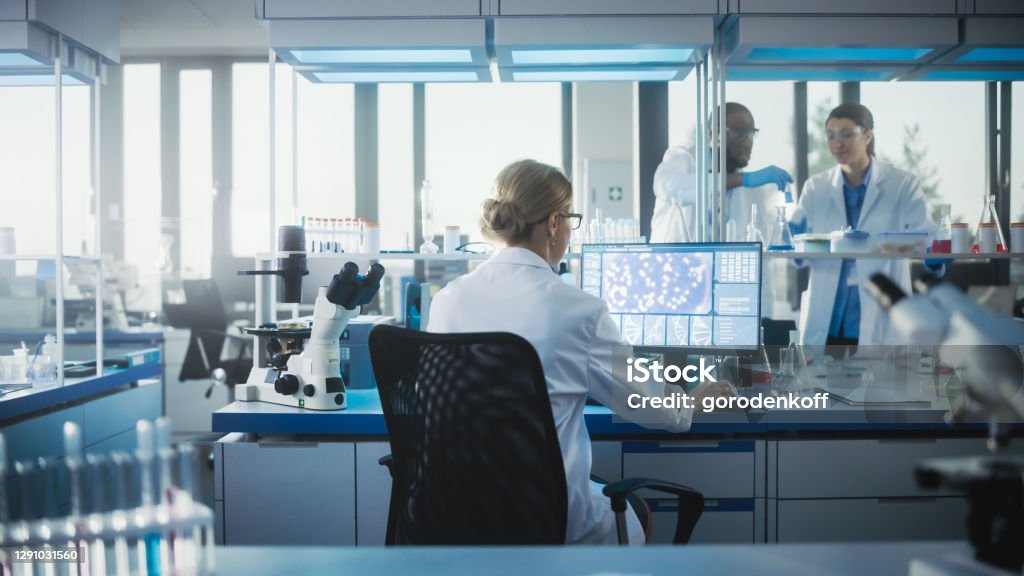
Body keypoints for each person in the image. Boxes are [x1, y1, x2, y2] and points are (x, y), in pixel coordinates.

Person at [428, 159, 733, 545]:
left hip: (458, 516)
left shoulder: (449, 300)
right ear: (554, 223)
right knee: (636, 511)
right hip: (547, 519)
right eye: (571, 219)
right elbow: (654, 409)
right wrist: (691, 402)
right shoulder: (579, 310)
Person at [792, 103, 940, 348]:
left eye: (847, 134)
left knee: (880, 385)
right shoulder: (815, 187)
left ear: (867, 136)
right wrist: (795, 243)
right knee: (819, 385)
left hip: (880, 316)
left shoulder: (902, 184)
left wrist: (934, 258)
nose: (837, 143)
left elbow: (926, 236)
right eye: (830, 135)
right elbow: (800, 249)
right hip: (827, 321)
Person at [651, 103, 793, 316]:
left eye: (751, 133)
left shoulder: (751, 190)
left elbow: (761, 258)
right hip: (677, 287)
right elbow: (667, 186)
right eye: (738, 133)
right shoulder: (683, 159)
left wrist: (765, 318)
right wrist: (743, 179)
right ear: (712, 134)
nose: (747, 142)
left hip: (727, 300)